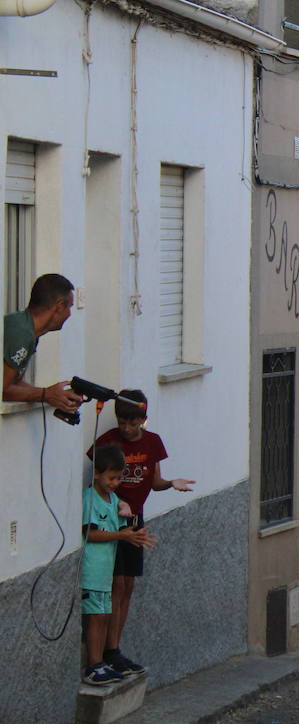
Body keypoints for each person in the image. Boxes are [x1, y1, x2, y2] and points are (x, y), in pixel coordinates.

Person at [86, 390, 195, 676]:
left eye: (132, 423)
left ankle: (114, 648)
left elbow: (154, 481)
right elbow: (96, 477)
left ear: (143, 420)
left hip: (135, 518)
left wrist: (172, 483)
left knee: (127, 586)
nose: (126, 428)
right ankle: (104, 653)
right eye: (122, 422)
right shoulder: (108, 441)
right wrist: (115, 504)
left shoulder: (153, 442)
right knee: (114, 585)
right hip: (113, 519)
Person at [81, 446, 157, 686]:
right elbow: (89, 534)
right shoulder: (90, 499)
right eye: (111, 478)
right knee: (95, 617)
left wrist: (132, 529)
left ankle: (101, 661)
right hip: (93, 570)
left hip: (105, 570)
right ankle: (93, 666)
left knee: (104, 615)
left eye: (118, 478)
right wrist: (122, 536)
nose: (115, 483)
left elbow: (122, 521)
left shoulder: (113, 499)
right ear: (97, 474)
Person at [2, 273, 83, 412]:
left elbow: (14, 383)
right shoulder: (22, 333)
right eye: (70, 307)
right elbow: (3, 389)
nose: (70, 314)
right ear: (59, 306)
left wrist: (57, 396)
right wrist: (46, 394)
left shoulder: (30, 332)